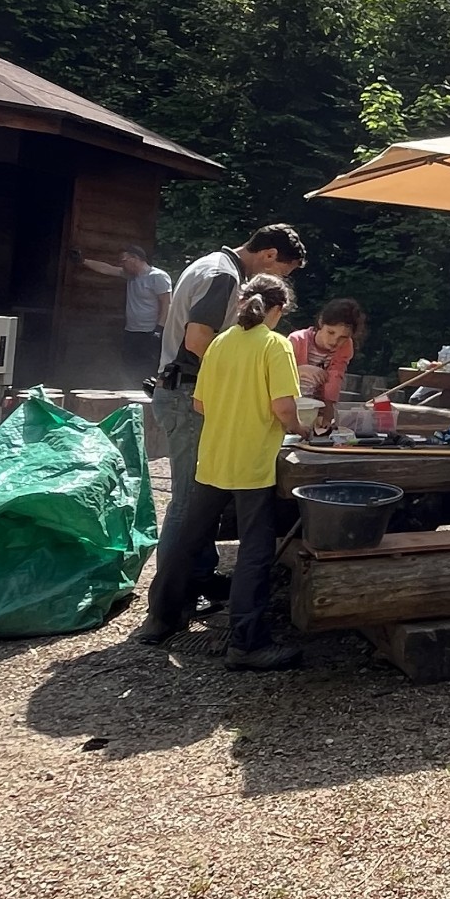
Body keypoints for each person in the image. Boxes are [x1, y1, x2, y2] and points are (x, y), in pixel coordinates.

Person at [135, 274, 303, 669]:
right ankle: (247, 643)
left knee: (188, 540)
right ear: (278, 310)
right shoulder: (275, 346)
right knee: (255, 552)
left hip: (212, 459)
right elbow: (283, 408)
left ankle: (161, 619)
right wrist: (302, 429)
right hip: (252, 464)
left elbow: (200, 404)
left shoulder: (221, 343)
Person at [149, 224, 306, 610]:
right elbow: (198, 340)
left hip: (183, 390)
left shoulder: (212, 263)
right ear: (269, 255)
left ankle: (197, 580)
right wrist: (243, 379)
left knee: (201, 501)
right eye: (283, 271)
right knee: (189, 503)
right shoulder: (224, 275)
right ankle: (171, 600)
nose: (280, 279)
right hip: (184, 391)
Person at [74, 245, 171, 378]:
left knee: (148, 368)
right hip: (131, 331)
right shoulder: (130, 276)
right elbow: (107, 268)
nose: (121, 265)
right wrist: (83, 261)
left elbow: (167, 304)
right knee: (130, 365)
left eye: (123, 261)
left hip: (150, 332)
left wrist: (159, 329)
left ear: (135, 258)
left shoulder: (158, 277)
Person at [286, 298, 364, 431]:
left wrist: (327, 416)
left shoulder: (345, 347)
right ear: (321, 323)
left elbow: (335, 378)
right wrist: (301, 370)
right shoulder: (296, 340)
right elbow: (277, 376)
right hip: (289, 409)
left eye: (343, 337)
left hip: (315, 411)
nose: (334, 341)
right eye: (331, 332)